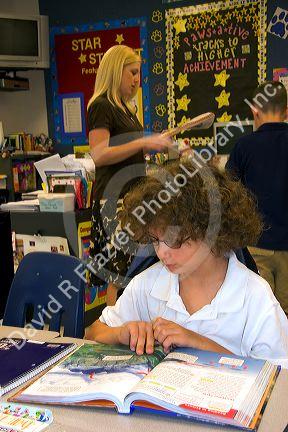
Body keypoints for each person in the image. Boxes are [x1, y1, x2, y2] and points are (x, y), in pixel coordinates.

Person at [85, 160, 288, 367]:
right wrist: (120, 333)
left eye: (174, 240)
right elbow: (92, 333)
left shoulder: (255, 296)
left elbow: (279, 377)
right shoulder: (146, 285)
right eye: (155, 240)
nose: (162, 252)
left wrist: (197, 342)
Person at [87, 45, 171, 305]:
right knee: (119, 272)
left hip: (132, 199)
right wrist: (142, 143)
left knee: (133, 269)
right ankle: (114, 329)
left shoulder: (127, 109)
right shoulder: (101, 106)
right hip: (114, 200)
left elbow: (127, 153)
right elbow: (99, 154)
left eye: (139, 73)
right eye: (132, 72)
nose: (137, 79)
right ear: (116, 71)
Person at [226, 81, 288, 315]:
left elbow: (228, 196)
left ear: (255, 110)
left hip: (254, 246)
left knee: (258, 314)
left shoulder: (243, 146)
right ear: (287, 111)